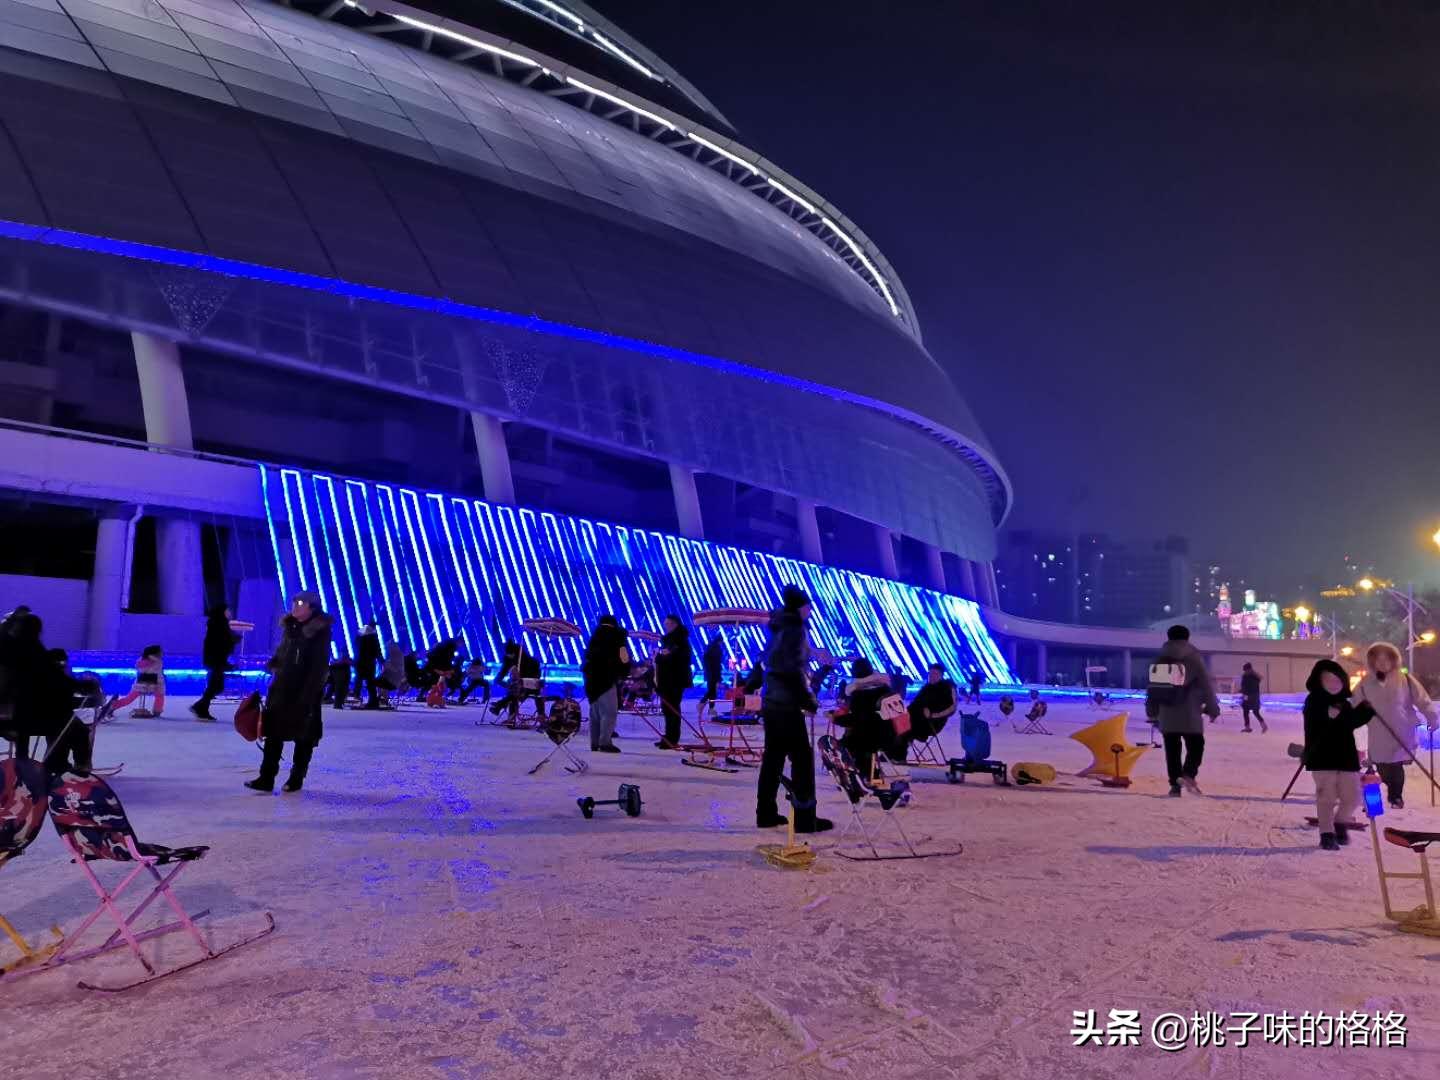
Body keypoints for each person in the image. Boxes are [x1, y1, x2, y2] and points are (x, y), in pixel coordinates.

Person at [753, 585, 832, 833]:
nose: (810, 611)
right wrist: (806, 699)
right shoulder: (794, 629)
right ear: (800, 607)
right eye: (808, 606)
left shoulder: (778, 627)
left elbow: (773, 665)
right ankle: (805, 817)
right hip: (786, 704)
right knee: (802, 758)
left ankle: (765, 813)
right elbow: (789, 670)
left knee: (774, 758)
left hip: (772, 702)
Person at [247, 591, 332, 793]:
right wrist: (275, 662)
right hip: (282, 688)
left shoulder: (319, 631)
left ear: (312, 607)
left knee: (304, 737)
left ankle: (296, 778)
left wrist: (308, 695)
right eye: (294, 602)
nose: (295, 606)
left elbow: (318, 666)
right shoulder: (290, 627)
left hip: (304, 692)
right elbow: (284, 651)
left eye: (300, 603)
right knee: (273, 734)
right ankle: (266, 777)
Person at [4, 614, 95, 772]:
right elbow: (54, 678)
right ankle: (68, 766)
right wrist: (81, 687)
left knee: (64, 722)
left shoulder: (12, 647)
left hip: (14, 713)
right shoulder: (32, 649)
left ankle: (56, 763)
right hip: (26, 716)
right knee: (73, 728)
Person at [1302, 658, 1376, 851]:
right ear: (1319, 682)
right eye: (1328, 680)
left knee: (1353, 796)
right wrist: (1326, 716)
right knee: (1326, 797)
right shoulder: (1313, 701)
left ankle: (1340, 822)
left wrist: (1366, 710)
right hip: (1322, 757)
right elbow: (1314, 721)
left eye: (1337, 680)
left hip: (1346, 757)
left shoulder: (1344, 703)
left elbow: (1351, 722)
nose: (1333, 684)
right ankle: (1326, 834)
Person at [1354, 641, 1438, 809]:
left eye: (1386, 660)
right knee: (1382, 764)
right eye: (1379, 660)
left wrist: (1432, 717)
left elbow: (1422, 699)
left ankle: (1396, 797)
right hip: (1378, 730)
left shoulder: (1405, 679)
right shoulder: (1365, 683)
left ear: (1394, 661)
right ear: (1373, 662)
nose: (1383, 663)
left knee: (1397, 764)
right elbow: (1354, 703)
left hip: (1402, 727)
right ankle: (1391, 788)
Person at [1145, 625, 1220, 797]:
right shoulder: (1193, 657)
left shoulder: (1160, 657)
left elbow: (1152, 687)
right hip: (1189, 711)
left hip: (1166, 711)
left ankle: (1175, 786)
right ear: (1187, 638)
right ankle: (1188, 774)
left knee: (1172, 750)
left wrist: (1151, 709)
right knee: (1196, 746)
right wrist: (1213, 707)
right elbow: (1206, 684)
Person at [831, 658, 898, 778]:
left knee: (845, 744)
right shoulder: (885, 688)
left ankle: (866, 776)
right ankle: (871, 773)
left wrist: (836, 719)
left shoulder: (859, 694)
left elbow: (857, 719)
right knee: (858, 738)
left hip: (871, 738)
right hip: (892, 735)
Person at [583, 615, 629, 753]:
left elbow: (588, 657)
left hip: (591, 678)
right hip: (607, 678)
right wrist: (624, 672)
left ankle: (594, 742)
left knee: (595, 712)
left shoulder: (594, 636)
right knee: (609, 712)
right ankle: (605, 742)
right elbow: (624, 656)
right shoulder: (618, 636)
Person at [191, 604, 237, 721]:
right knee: (216, 685)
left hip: (216, 659)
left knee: (215, 685)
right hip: (217, 660)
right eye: (227, 610)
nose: (229, 612)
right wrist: (233, 640)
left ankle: (201, 708)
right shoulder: (219, 624)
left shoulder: (217, 623)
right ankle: (200, 707)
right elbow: (220, 642)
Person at [654, 615, 693, 749]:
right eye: (665, 624)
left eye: (669, 624)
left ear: (675, 624)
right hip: (668, 679)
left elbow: (674, 659)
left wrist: (660, 657)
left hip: (674, 680)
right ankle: (669, 736)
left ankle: (672, 738)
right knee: (667, 708)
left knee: (672, 708)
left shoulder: (679, 641)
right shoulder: (672, 640)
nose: (666, 626)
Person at [909, 662, 958, 746]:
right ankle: (892, 752)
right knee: (893, 723)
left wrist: (932, 715)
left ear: (941, 675)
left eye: (935, 674)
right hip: (917, 718)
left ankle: (896, 753)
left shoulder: (947, 688)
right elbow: (915, 703)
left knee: (902, 728)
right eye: (930, 673)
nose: (932, 676)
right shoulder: (926, 688)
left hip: (932, 723)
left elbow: (952, 708)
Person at [110, 645, 166, 717]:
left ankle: (114, 705)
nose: (162, 653)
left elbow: (139, 669)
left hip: (142, 681)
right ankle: (157, 711)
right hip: (156, 682)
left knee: (130, 698)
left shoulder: (142, 660)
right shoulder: (158, 661)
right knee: (159, 696)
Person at [354, 621, 382, 709]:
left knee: (359, 678)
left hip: (360, 661)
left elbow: (356, 646)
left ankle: (356, 695)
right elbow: (377, 650)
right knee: (370, 682)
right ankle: (373, 701)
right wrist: (381, 660)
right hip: (369, 662)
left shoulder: (359, 635)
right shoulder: (373, 636)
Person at [699, 633, 724, 721]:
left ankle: (710, 708)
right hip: (713, 673)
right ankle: (703, 704)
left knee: (712, 691)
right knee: (712, 691)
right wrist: (718, 676)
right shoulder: (716, 648)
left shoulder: (710, 647)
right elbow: (717, 664)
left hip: (710, 673)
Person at [1239, 662, 1266, 733]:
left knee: (1253, 711)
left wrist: (1244, 693)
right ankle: (1249, 727)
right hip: (1251, 696)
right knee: (1248, 711)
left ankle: (1262, 726)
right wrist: (1242, 692)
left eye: (1246, 670)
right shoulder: (1249, 676)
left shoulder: (1251, 677)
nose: (1245, 672)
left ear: (1249, 669)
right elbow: (1244, 687)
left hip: (1251, 696)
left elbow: (1248, 687)